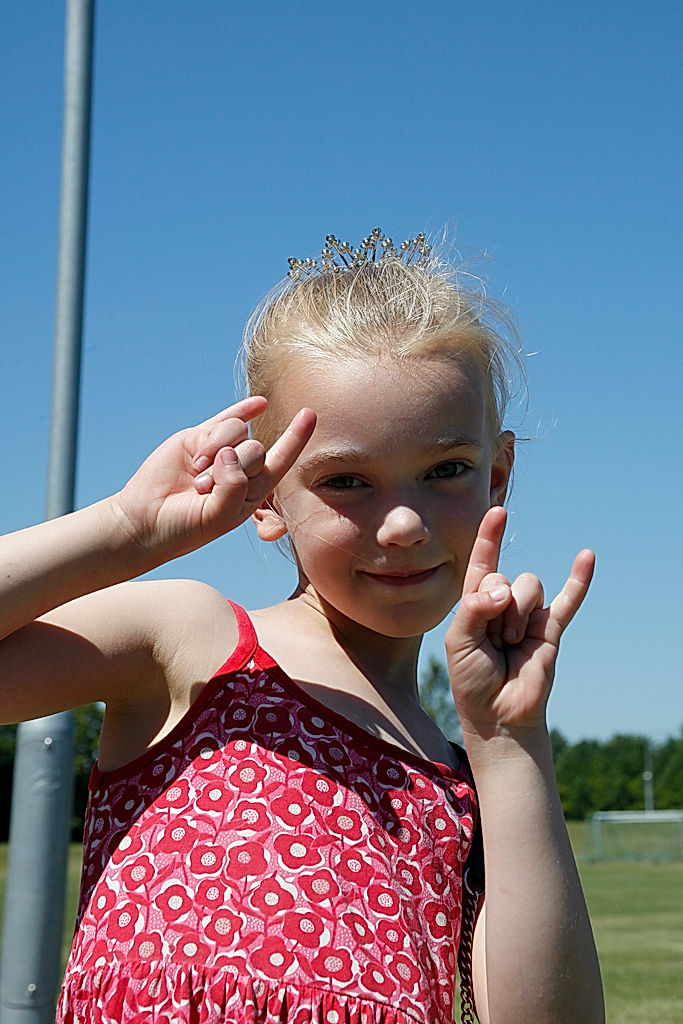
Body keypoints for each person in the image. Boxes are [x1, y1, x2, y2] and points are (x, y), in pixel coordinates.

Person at [0, 229, 604, 1024]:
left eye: (446, 470)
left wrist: (509, 743)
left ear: (496, 476)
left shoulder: (475, 783)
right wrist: (125, 528)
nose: (402, 524)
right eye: (346, 481)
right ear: (266, 498)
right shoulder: (193, 642)